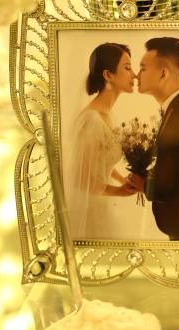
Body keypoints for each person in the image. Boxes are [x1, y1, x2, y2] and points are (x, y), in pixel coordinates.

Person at [130, 37, 179, 241]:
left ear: (163, 73)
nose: (137, 75)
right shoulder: (177, 109)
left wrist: (145, 185)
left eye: (143, 68)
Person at [65, 42, 138, 239]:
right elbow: (81, 180)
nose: (134, 75)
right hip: (90, 211)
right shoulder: (92, 120)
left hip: (102, 204)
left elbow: (97, 160)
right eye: (127, 68)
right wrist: (119, 191)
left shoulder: (106, 114)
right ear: (108, 75)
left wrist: (122, 179)